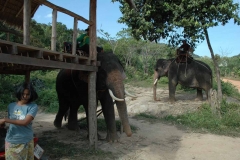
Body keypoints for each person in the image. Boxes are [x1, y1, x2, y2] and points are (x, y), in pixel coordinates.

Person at [0, 82, 38, 160]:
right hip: (11, 140)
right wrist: (2, 124)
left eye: (27, 94)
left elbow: (25, 122)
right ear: (19, 93)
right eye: (23, 94)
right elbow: (11, 123)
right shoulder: (11, 106)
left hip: (26, 140)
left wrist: (5, 120)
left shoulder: (33, 106)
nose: (25, 96)